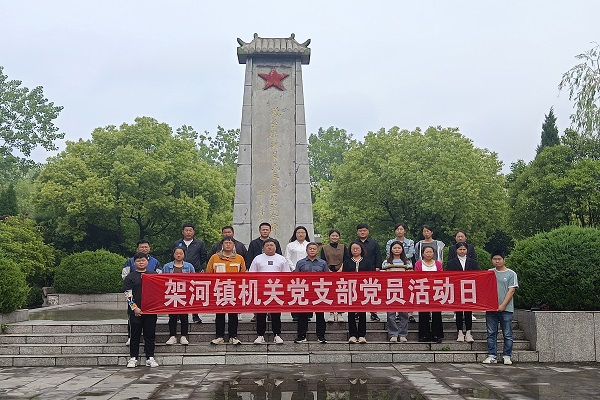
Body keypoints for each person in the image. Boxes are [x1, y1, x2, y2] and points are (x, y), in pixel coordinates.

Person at [206, 236, 247, 345]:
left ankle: (233, 336)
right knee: (220, 314)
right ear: (222, 245)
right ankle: (219, 336)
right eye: (226, 243)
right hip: (219, 289)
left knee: (233, 314)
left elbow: (243, 275)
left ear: (234, 245)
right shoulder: (214, 258)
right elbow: (208, 274)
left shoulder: (239, 258)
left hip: (234, 290)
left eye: (230, 243)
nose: (228, 245)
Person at [249, 238, 289, 344]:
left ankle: (277, 334)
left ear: (276, 247)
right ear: (263, 247)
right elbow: (252, 274)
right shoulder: (257, 259)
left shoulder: (281, 259)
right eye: (267, 245)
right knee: (261, 314)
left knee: (276, 314)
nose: (270, 247)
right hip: (261, 289)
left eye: (272, 245)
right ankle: (260, 335)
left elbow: (286, 275)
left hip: (276, 290)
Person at [121, 239, 162, 346]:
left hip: (150, 301)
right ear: (137, 248)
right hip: (135, 297)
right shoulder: (130, 262)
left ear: (149, 248)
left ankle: (149, 345)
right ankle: (131, 338)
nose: (144, 249)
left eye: (146, 247)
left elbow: (160, 279)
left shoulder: (155, 262)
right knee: (134, 323)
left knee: (150, 327)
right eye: (141, 247)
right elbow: (125, 276)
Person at [123, 252, 159, 368]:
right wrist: (135, 308)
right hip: (135, 311)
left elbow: (159, 291)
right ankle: (133, 358)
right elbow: (128, 294)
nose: (141, 262)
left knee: (150, 334)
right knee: (135, 335)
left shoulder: (154, 275)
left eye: (143, 260)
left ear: (147, 261)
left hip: (150, 311)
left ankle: (150, 357)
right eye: (138, 261)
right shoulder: (130, 277)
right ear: (134, 263)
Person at [483, 250, 519, 365]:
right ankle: (492, 355)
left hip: (506, 309)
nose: (497, 261)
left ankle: (507, 356)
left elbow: (511, 290)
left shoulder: (511, 274)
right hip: (491, 309)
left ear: (504, 260)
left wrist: (503, 305)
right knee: (491, 333)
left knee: (507, 334)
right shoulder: (489, 272)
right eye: (494, 259)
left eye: (499, 259)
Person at [245, 222, 283, 323]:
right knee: (259, 300)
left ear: (270, 230)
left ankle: (271, 315)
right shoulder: (254, 243)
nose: (265, 231)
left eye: (267, 229)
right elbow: (250, 257)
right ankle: (256, 315)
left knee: (273, 299)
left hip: (274, 282)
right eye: (263, 229)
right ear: (259, 231)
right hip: (259, 279)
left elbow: (280, 258)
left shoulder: (275, 243)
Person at [293, 242, 329, 344]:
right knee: (302, 315)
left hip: (319, 292)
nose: (312, 250)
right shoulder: (300, 263)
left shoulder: (323, 263)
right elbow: (296, 277)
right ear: (306, 250)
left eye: (314, 249)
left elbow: (327, 277)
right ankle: (301, 336)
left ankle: (321, 336)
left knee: (320, 315)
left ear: (317, 251)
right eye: (310, 249)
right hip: (305, 291)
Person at [172, 223, 208, 323]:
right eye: (186, 230)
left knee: (194, 294)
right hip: (179, 271)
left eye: (190, 230)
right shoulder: (177, 243)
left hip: (194, 272)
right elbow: (172, 255)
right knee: (179, 292)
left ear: (193, 232)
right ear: (182, 232)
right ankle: (178, 314)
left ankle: (195, 315)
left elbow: (203, 256)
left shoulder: (199, 243)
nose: (188, 232)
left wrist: (197, 265)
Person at [342, 241, 375, 344]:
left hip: (363, 289)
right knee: (351, 312)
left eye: (357, 249)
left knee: (362, 312)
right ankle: (352, 335)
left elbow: (370, 276)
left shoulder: (367, 262)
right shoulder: (347, 262)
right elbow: (344, 276)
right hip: (351, 289)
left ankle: (361, 335)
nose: (355, 250)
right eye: (353, 249)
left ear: (361, 250)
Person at [446, 242, 479, 343]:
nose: (462, 251)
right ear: (456, 250)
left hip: (469, 289)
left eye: (464, 249)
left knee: (468, 311)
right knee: (459, 311)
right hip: (456, 289)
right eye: (460, 249)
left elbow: (478, 274)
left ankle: (468, 332)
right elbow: (448, 276)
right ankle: (460, 332)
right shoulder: (451, 263)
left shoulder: (473, 262)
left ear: (467, 250)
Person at [162, 247, 194, 346]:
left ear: (184, 254)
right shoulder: (167, 267)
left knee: (184, 316)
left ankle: (184, 336)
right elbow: (162, 280)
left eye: (181, 253)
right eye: (176, 253)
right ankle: (172, 336)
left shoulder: (189, 266)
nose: (179, 255)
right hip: (172, 293)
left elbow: (194, 279)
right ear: (173, 254)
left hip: (184, 294)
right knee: (172, 316)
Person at [383, 241, 412, 343]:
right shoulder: (386, 262)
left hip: (403, 290)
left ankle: (403, 334)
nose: (397, 250)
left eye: (399, 248)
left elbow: (410, 276)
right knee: (391, 313)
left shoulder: (407, 262)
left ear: (402, 249)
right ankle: (393, 334)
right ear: (391, 249)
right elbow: (383, 276)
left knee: (404, 313)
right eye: (394, 248)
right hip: (391, 290)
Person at [414, 245, 444, 343]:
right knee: (423, 313)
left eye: (431, 252)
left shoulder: (438, 264)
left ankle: (437, 335)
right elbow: (417, 276)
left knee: (436, 313)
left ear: (433, 253)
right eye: (427, 252)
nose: (429, 254)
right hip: (423, 290)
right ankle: (424, 335)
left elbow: (441, 276)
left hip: (436, 290)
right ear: (423, 253)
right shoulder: (418, 264)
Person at [354, 223, 383, 322]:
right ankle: (357, 312)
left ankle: (373, 313)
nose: (362, 232)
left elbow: (378, 255)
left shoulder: (373, 243)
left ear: (368, 231)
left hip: (371, 270)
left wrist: (378, 267)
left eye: (364, 230)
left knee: (372, 291)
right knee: (358, 291)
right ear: (357, 232)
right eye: (360, 231)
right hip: (358, 270)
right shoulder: (354, 243)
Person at [320, 229, 348, 322]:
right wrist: (328, 271)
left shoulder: (343, 247)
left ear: (339, 237)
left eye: (336, 236)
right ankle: (331, 313)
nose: (334, 237)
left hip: (341, 272)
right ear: (329, 237)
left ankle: (340, 313)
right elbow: (323, 261)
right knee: (330, 293)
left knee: (340, 292)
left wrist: (341, 269)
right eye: (333, 235)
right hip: (328, 272)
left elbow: (346, 259)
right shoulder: (324, 248)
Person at [285, 226, 310, 321]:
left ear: (306, 234)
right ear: (295, 234)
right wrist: (294, 269)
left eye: (303, 232)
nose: (301, 234)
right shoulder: (290, 245)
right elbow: (287, 258)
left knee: (307, 293)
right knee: (295, 292)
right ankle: (295, 314)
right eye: (298, 232)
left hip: (307, 272)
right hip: (294, 272)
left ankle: (307, 314)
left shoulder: (309, 244)